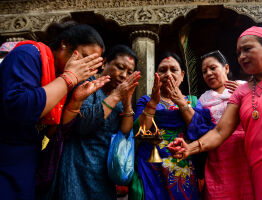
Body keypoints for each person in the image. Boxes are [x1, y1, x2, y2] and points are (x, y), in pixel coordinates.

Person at [168, 26, 262, 200]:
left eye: (247, 49)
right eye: (238, 53)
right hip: (261, 170)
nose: (242, 57)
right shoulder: (242, 92)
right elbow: (220, 132)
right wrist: (189, 148)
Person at [0, 22, 110, 199]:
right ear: (64, 43)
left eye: (92, 64)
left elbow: (55, 132)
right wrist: (68, 79)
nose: (87, 68)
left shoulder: (60, 77)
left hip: (29, 163)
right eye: (84, 57)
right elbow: (19, 108)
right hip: (6, 159)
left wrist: (75, 102)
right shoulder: (29, 54)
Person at [49, 45, 141, 200]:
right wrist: (117, 96)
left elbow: (124, 132)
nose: (124, 75)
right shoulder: (87, 85)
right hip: (77, 165)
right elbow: (82, 126)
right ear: (104, 63)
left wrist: (127, 103)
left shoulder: (119, 98)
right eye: (120, 67)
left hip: (103, 171)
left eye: (129, 72)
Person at [133, 52, 215, 200]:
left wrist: (181, 103)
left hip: (183, 167)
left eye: (173, 70)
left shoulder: (193, 101)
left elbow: (201, 131)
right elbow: (140, 131)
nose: (168, 74)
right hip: (151, 166)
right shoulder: (145, 100)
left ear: (182, 75)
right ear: (156, 75)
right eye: (163, 70)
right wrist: (152, 103)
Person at [199, 50, 253, 199]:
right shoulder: (203, 100)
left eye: (213, 68)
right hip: (218, 156)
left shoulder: (245, 87)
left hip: (245, 152)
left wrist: (247, 97)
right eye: (204, 71)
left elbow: (260, 114)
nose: (208, 73)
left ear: (226, 68)